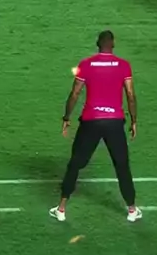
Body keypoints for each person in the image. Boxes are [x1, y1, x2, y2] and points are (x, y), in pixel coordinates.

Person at [49, 30, 142, 223]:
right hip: (114, 122)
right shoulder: (123, 65)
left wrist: (66, 117)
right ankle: (132, 210)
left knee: (75, 164)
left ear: (97, 44)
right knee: (122, 165)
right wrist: (133, 120)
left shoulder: (86, 64)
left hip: (91, 120)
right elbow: (130, 95)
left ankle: (61, 208)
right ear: (113, 44)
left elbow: (75, 93)